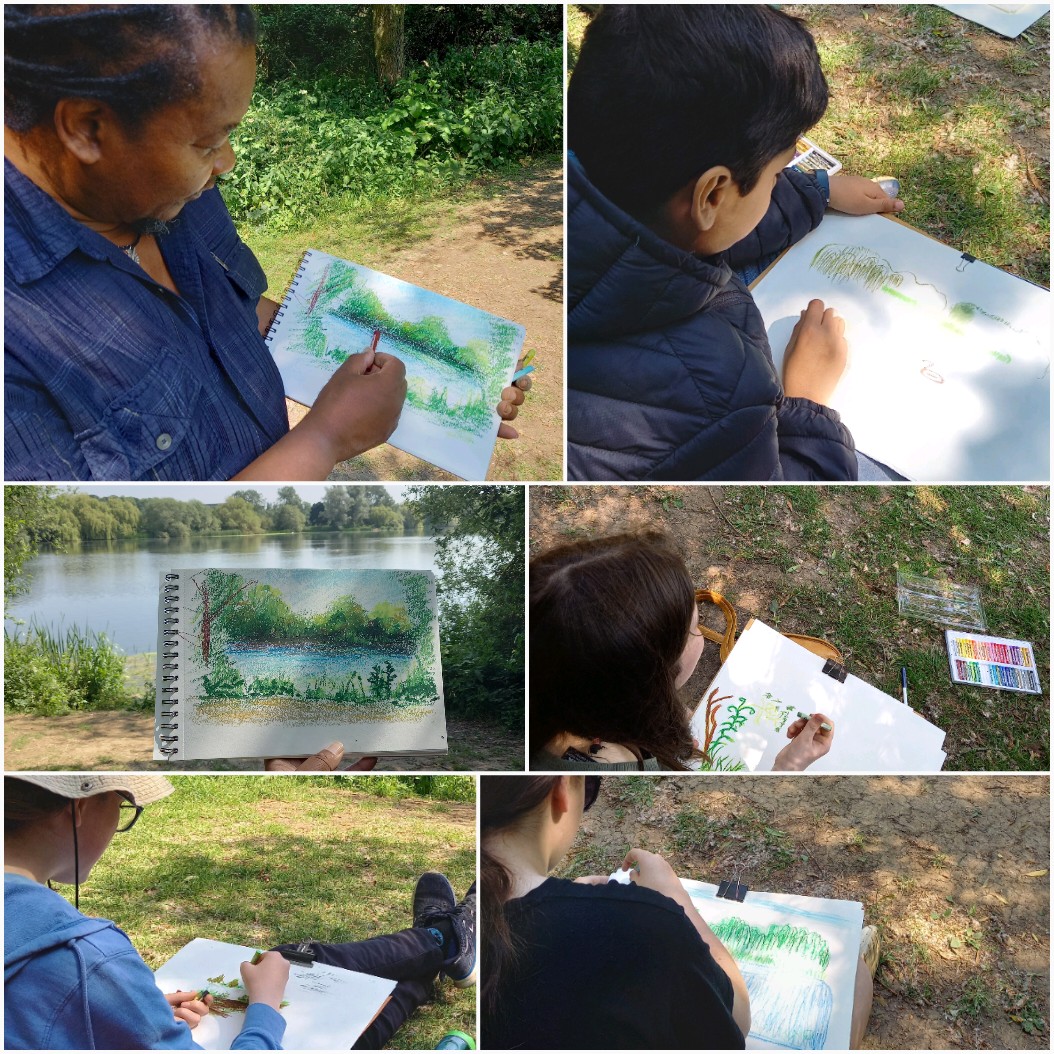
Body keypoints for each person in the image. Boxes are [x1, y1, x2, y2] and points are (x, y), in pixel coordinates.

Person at [4, 4, 529, 481]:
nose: (226, 163)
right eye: (208, 143)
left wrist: (449, 387)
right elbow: (148, 545)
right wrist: (325, 439)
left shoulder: (160, 191)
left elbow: (238, 317)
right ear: (86, 128)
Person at [566, 6, 905, 482]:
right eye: (778, 174)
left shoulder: (582, 177)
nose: (780, 180)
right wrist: (808, 401)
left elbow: (699, 225)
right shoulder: (721, 395)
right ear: (711, 195)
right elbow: (788, 493)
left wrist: (818, 191)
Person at [4, 774, 476, 1050]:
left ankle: (438, 947)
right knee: (288, 968)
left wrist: (134, 1015)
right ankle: (442, 941)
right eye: (124, 803)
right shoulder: (87, 961)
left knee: (286, 958)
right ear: (81, 806)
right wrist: (265, 1007)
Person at [481, 775, 878, 1049]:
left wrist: (574, 904)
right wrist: (675, 899)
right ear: (561, 790)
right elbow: (737, 1017)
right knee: (856, 976)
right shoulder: (650, 927)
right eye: (590, 786)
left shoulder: (465, 925)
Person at [529, 532, 834, 771]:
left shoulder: (554, 688)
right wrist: (787, 767)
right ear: (647, 685)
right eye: (695, 628)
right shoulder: (621, 766)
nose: (701, 634)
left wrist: (673, 715)